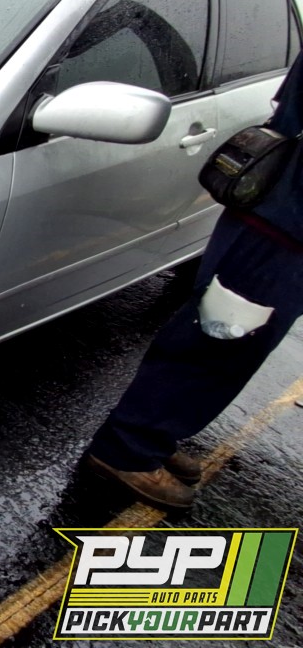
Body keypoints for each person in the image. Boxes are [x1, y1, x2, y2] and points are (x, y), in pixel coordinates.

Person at [84, 53, 303, 509]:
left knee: (233, 341)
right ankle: (128, 449)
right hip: (281, 223)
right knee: (222, 336)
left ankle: (153, 434)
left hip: (285, 221)